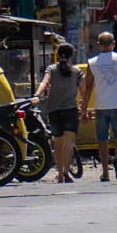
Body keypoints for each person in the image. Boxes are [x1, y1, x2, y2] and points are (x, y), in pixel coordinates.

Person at [78, 32, 117, 183]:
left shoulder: (92, 63)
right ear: (113, 44)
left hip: (101, 105)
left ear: (99, 45)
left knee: (102, 140)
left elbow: (88, 88)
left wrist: (84, 109)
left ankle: (105, 172)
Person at [36, 44, 81, 183]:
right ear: (71, 56)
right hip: (71, 110)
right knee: (69, 143)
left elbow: (44, 82)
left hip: (54, 110)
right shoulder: (77, 71)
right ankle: (66, 172)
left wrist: (36, 95)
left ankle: (59, 173)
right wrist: (84, 108)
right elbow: (84, 91)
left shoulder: (51, 69)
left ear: (58, 54)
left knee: (58, 142)